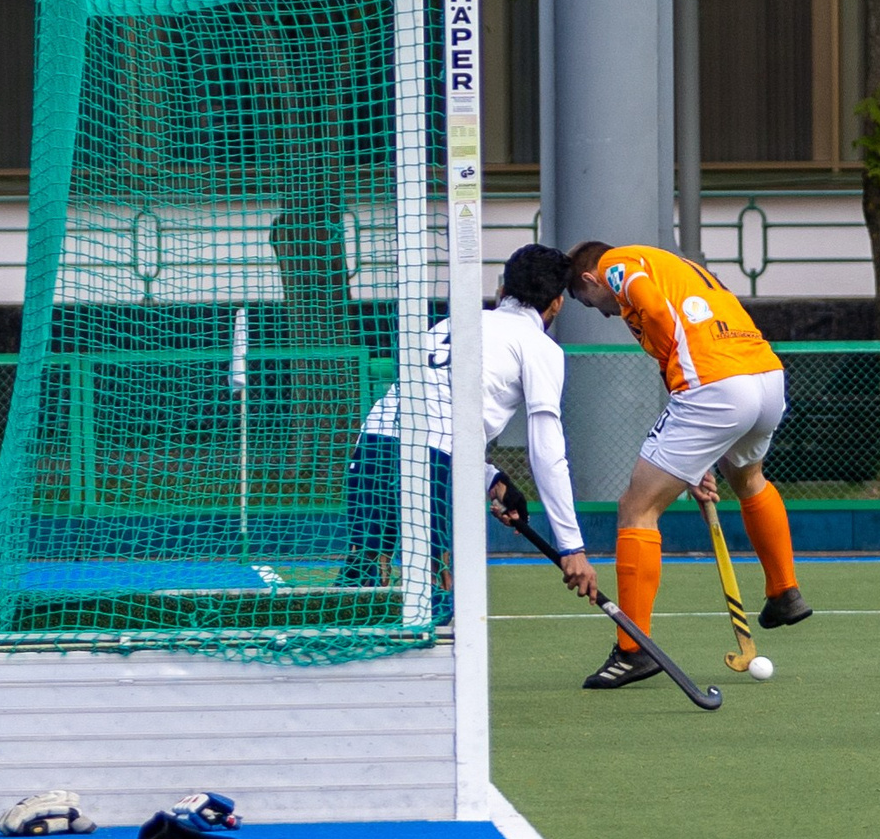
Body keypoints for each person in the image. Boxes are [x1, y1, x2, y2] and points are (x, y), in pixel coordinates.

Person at [564, 239, 808, 688]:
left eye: (589, 302)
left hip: (712, 384)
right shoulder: (677, 265)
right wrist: (700, 453)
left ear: (589, 279)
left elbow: (654, 312)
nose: (602, 313)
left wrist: (684, 389)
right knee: (749, 479)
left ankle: (633, 650)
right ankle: (783, 591)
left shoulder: (616, 265)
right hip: (765, 377)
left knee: (637, 508)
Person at [342, 244, 586, 595]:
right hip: (432, 459)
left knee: (366, 577)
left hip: (373, 443)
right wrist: (571, 547)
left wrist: (492, 478)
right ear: (557, 304)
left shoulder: (451, 323)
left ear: (502, 290)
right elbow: (547, 453)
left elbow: (432, 408)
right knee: (436, 587)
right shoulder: (539, 346)